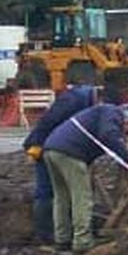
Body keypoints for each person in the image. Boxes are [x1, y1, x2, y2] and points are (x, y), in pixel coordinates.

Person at [42, 101, 128, 254]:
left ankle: (62, 239)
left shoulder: (102, 114)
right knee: (82, 198)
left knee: (62, 197)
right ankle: (82, 241)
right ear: (127, 121)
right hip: (70, 153)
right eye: (127, 131)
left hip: (52, 149)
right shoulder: (113, 113)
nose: (124, 135)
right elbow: (108, 135)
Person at [22, 82, 97, 244]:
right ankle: (47, 235)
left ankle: (62, 234)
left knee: (61, 192)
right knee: (47, 190)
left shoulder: (86, 100)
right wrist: (36, 145)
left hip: (61, 144)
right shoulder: (75, 99)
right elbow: (48, 121)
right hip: (43, 145)